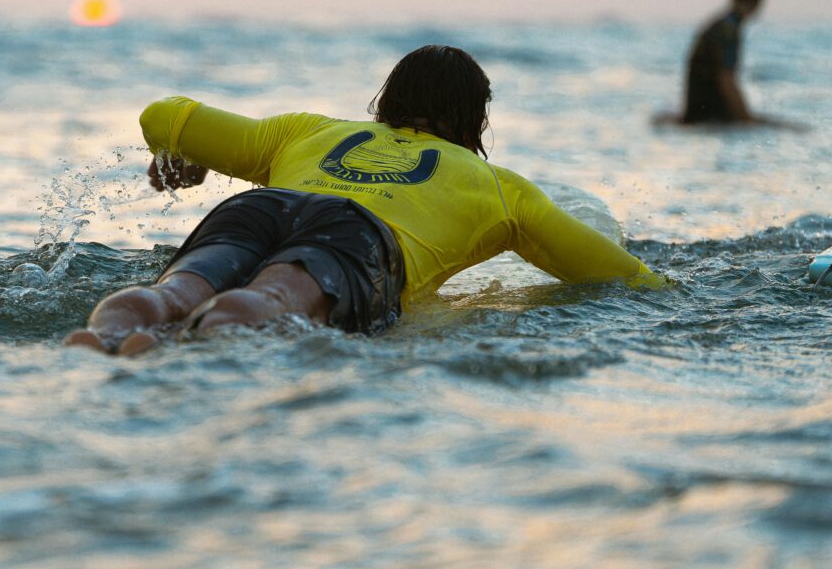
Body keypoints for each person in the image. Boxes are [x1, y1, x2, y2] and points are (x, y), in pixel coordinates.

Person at [66, 45, 664, 355]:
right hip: (355, 235)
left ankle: (110, 337)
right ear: (475, 123)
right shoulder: (501, 188)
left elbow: (164, 115)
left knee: (173, 294)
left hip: (263, 206)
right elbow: (620, 277)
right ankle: (203, 336)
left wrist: (182, 153)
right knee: (270, 300)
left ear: (387, 99)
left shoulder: (307, 130)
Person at [678, 0, 802, 130]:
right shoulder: (729, 29)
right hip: (709, 117)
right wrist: (747, 120)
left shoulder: (719, 24)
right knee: (793, 130)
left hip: (697, 114)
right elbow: (726, 79)